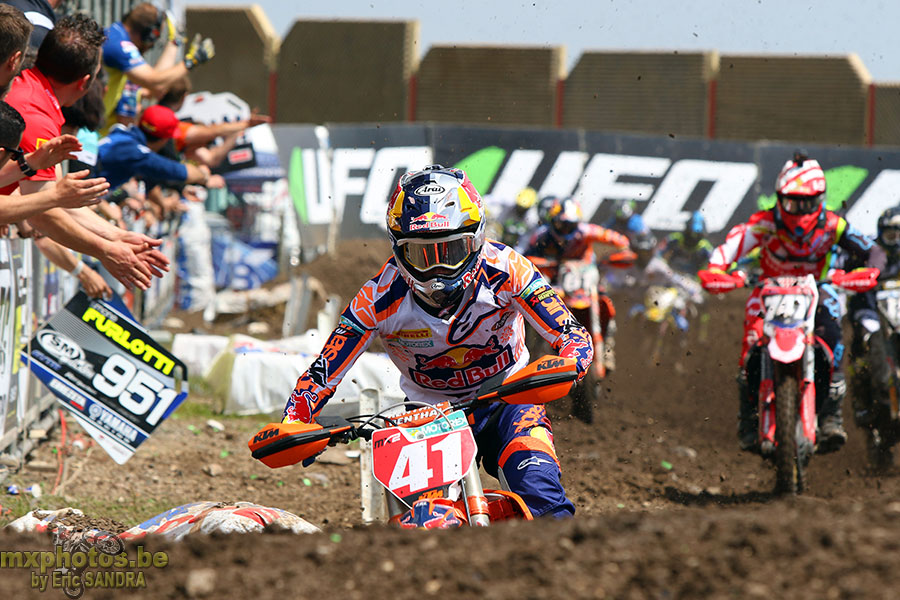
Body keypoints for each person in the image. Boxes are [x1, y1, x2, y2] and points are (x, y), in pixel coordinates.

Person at [283, 165, 595, 518]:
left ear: (475, 240)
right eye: (421, 255)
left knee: (544, 500)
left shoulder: (508, 269)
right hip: (428, 415)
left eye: (450, 251)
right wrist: (296, 420)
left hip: (510, 399)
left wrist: (571, 362)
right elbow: (323, 372)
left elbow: (571, 332)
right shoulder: (376, 298)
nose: (437, 271)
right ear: (398, 251)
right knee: (424, 519)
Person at [702, 152, 885, 453]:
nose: (799, 210)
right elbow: (729, 248)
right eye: (792, 202)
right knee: (751, 345)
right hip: (768, 289)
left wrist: (870, 271)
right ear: (779, 198)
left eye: (807, 203)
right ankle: (748, 418)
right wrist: (717, 269)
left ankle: (831, 415)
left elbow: (873, 250)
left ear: (820, 199)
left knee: (833, 336)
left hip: (818, 289)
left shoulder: (833, 225)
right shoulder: (764, 223)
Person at [1, 13, 169, 290]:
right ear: (86, 82)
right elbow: (43, 211)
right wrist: (106, 250)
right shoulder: (36, 114)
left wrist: (117, 236)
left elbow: (50, 198)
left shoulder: (35, 93)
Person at [521, 197, 630, 372]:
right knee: (532, 302)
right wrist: (547, 264)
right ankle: (531, 351)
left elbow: (621, 241)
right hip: (556, 282)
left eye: (570, 225)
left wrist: (614, 256)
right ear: (552, 221)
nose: (565, 229)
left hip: (585, 280)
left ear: (577, 223)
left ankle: (608, 348)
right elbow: (524, 260)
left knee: (605, 300)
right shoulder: (541, 236)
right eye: (561, 224)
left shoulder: (587, 231)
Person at [101, 3, 214, 133]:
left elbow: (155, 82)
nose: (152, 45)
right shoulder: (119, 45)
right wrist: (192, 61)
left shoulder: (116, 37)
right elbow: (155, 82)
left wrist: (175, 42)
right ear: (150, 34)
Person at [847, 207, 900, 431]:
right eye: (890, 235)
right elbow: (852, 281)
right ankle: (862, 401)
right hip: (872, 313)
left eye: (898, 235)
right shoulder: (869, 253)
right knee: (861, 351)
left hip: (896, 316)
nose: (895, 240)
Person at [97, 104, 213, 189]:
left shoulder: (122, 133)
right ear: (164, 139)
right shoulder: (136, 153)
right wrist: (203, 175)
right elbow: (181, 172)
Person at [657, 210, 714, 277]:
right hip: (670, 275)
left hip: (692, 280)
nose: (692, 239)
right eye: (689, 234)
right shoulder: (675, 238)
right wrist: (663, 268)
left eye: (697, 236)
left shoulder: (706, 248)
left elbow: (711, 269)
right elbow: (658, 254)